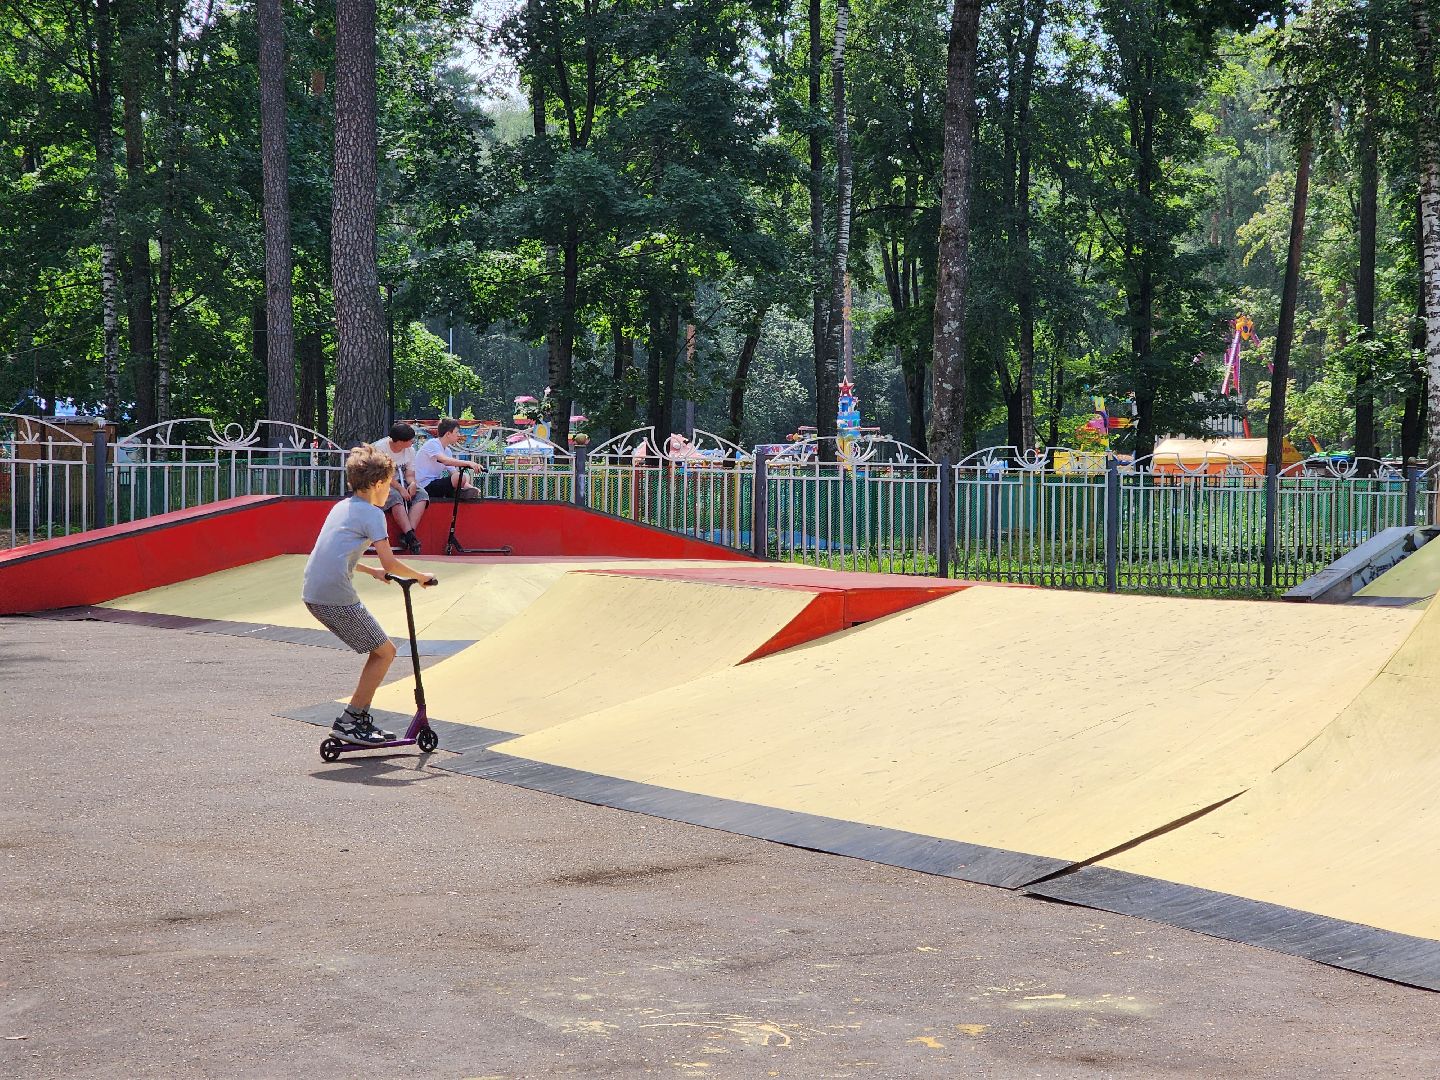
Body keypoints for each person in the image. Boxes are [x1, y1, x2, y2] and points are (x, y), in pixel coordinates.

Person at [302, 444, 434, 746]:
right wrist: (421, 577)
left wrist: (370, 572)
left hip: (313, 591)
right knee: (385, 652)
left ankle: (357, 719)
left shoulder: (343, 507)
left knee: (379, 650)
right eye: (388, 484)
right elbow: (391, 562)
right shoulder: (373, 515)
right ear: (377, 484)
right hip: (335, 596)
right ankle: (351, 720)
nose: (391, 490)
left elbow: (333, 553)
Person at [371, 422, 427, 554]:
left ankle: (409, 534)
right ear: (400, 442)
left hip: (400, 480)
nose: (412, 442)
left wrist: (412, 484)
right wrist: (401, 489)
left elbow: (409, 473)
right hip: (379, 482)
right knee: (395, 496)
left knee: (422, 495)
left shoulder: (410, 451)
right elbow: (382, 475)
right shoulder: (380, 448)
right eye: (410, 440)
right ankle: (410, 536)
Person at [415, 417, 480, 501]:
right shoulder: (432, 444)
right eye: (456, 432)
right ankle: (455, 492)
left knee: (464, 476)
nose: (458, 435)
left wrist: (471, 488)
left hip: (436, 484)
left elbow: (454, 472)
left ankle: (460, 492)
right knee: (461, 477)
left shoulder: (447, 451)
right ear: (448, 434)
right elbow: (444, 460)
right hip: (424, 486)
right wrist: (468, 463)